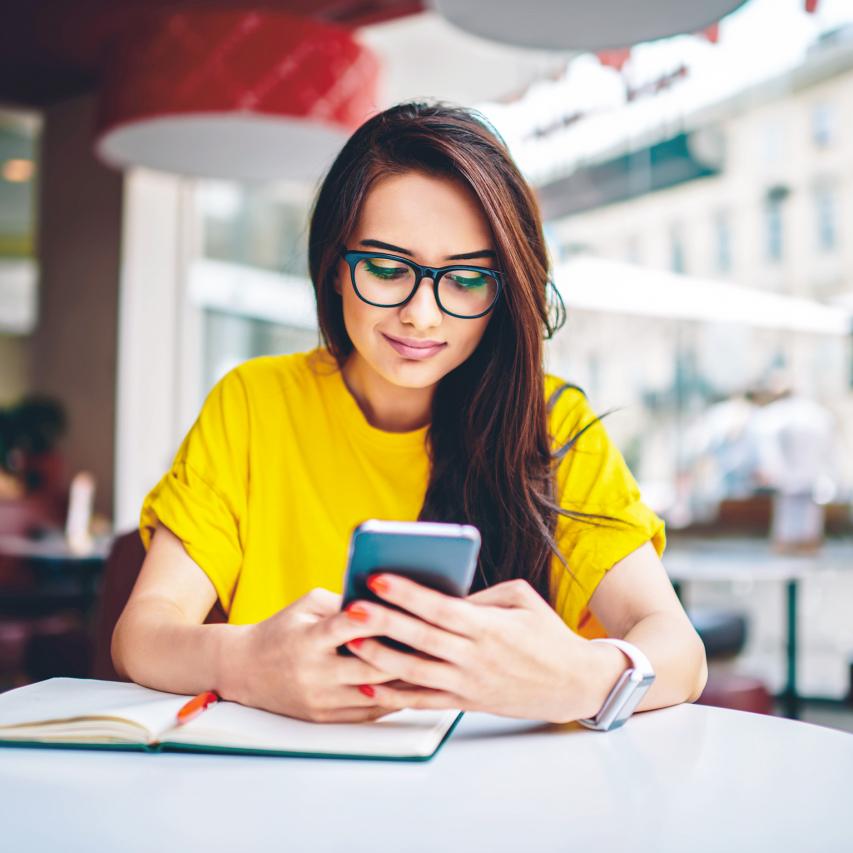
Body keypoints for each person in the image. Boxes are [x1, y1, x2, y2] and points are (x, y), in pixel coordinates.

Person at [112, 100, 707, 726]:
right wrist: (245, 662)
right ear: (335, 269)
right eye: (388, 269)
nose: (423, 314)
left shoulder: (552, 426)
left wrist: (581, 678)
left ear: (503, 292)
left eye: (466, 279)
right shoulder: (254, 404)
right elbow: (142, 634)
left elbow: (681, 651)